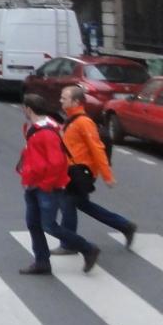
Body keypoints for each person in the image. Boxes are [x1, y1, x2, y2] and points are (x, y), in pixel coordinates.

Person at [17, 93, 100, 275]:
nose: (23, 110)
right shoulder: (36, 127)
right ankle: (42, 262)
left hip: (45, 187)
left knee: (49, 225)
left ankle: (87, 248)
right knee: (33, 224)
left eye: (24, 108)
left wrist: (46, 185)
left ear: (29, 109)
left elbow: (57, 163)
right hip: (33, 183)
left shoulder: (47, 132)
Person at [55, 85, 136, 250]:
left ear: (76, 101)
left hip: (80, 173)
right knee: (82, 204)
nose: (60, 100)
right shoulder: (70, 119)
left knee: (68, 203)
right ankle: (125, 225)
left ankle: (69, 244)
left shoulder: (84, 122)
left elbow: (97, 149)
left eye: (64, 98)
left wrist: (107, 176)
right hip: (72, 172)